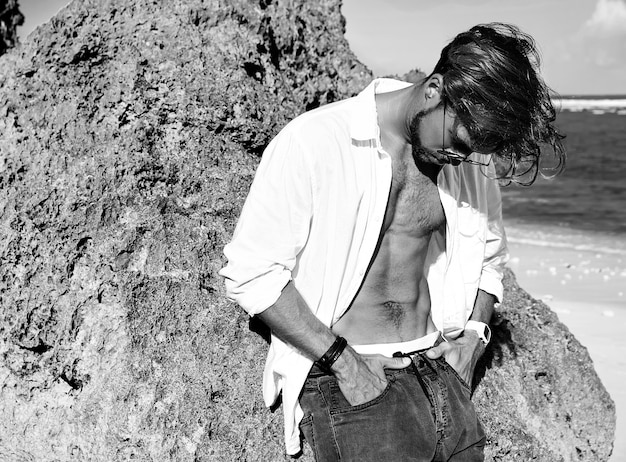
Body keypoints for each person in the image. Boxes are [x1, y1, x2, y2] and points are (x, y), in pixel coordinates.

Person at [219, 23, 564, 461]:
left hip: (441, 374)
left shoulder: (471, 163)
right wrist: (345, 365)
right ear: (434, 89)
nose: (462, 156)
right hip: (355, 378)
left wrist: (473, 339)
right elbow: (252, 274)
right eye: (459, 140)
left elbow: (490, 262)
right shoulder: (316, 141)